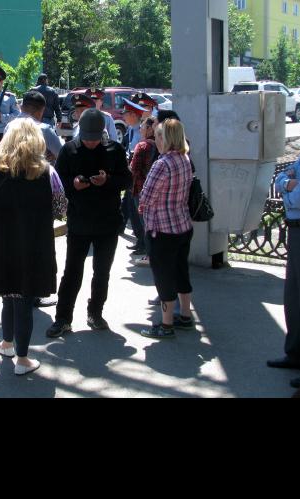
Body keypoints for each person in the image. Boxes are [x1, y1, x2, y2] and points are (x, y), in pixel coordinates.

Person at [0, 118, 66, 376]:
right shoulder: (47, 171)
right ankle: (23, 359)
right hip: (33, 244)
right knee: (24, 299)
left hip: (1, 242)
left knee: (8, 295)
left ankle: (7, 344)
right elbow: (61, 208)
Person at [46, 108, 131, 337]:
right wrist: (73, 184)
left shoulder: (115, 150)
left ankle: (95, 313)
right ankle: (63, 318)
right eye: (87, 139)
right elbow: (57, 182)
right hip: (79, 221)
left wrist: (108, 180)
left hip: (108, 222)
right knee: (72, 272)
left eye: (95, 139)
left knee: (102, 272)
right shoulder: (69, 150)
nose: (91, 143)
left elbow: (127, 180)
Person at [268, 93, 300, 390]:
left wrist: (289, 186)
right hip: (299, 228)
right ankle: (297, 353)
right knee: (295, 297)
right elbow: (286, 178)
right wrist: (290, 183)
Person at [137, 119, 195, 339]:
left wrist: (143, 205)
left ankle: (166, 324)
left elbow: (146, 197)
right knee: (181, 271)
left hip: (162, 229)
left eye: (159, 135)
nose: (156, 139)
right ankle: (186, 316)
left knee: (163, 277)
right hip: (182, 225)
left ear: (166, 138)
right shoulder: (184, 159)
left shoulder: (162, 163)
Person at [127, 115, 159, 257]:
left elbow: (133, 170)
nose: (140, 129)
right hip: (155, 189)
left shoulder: (142, 146)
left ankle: (147, 250)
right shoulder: (159, 145)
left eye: (143, 127)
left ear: (150, 129)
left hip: (140, 188)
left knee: (144, 222)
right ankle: (143, 246)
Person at [6, 90, 61, 162]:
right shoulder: (45, 130)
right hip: (38, 171)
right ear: (41, 111)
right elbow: (61, 154)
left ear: (21, 107)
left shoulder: (9, 127)